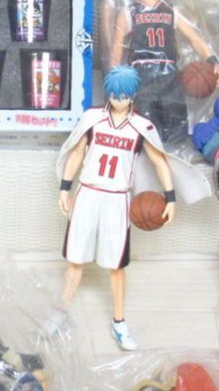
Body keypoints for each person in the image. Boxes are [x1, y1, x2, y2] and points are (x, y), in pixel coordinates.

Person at [55, 66, 175, 351]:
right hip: (88, 193)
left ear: (133, 95)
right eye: (114, 95)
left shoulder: (142, 126)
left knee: (117, 266)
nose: (118, 100)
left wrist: (170, 197)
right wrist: (64, 187)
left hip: (117, 198)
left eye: (124, 96)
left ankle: (119, 322)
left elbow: (159, 162)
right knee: (75, 261)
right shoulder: (92, 118)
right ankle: (60, 313)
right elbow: (77, 152)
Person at [108, 0, 219, 147]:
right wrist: (116, 77)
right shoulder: (129, 11)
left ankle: (175, 154)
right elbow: (117, 45)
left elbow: (194, 37)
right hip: (141, 73)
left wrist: (212, 60)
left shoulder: (170, 10)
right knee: (144, 123)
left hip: (169, 71)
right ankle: (149, 154)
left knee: (176, 119)